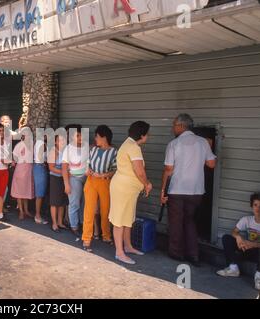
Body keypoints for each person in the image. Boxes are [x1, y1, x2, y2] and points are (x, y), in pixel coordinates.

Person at [161, 114, 217, 266]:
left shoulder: (174, 144)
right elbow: (212, 164)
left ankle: (176, 254)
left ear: (181, 126)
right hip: (196, 190)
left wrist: (162, 191)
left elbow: (168, 169)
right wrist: (207, 147)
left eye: (174, 125)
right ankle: (194, 255)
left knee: (176, 222)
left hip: (177, 189)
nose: (173, 128)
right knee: (190, 221)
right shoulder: (203, 143)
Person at [110, 121, 152, 265]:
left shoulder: (128, 144)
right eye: (147, 133)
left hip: (126, 189)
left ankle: (127, 247)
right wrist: (147, 184)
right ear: (142, 135)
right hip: (123, 189)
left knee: (127, 219)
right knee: (120, 220)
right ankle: (119, 252)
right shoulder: (133, 147)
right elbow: (139, 171)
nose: (148, 136)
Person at [82, 125, 117, 252]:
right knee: (89, 210)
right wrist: (87, 170)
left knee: (105, 210)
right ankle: (86, 238)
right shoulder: (93, 150)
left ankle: (106, 236)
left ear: (104, 137)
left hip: (105, 183)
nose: (95, 139)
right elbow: (88, 163)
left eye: (97, 136)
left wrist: (103, 175)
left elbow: (115, 170)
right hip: (91, 181)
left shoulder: (114, 152)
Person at [217, 193, 260, 290]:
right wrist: (238, 237)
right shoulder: (247, 219)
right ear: (251, 206)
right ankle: (233, 269)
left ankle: (259, 278)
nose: (258, 208)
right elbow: (234, 231)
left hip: (257, 254)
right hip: (245, 249)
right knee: (226, 238)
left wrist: (253, 244)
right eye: (255, 205)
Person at [62, 124, 89, 237]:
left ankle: (83, 224)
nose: (80, 137)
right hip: (74, 179)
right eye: (77, 135)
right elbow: (64, 168)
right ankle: (74, 226)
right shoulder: (68, 148)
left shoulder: (86, 146)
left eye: (81, 135)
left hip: (87, 179)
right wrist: (66, 184)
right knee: (74, 204)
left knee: (84, 204)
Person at [11, 126, 35, 220]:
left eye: (29, 134)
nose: (27, 136)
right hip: (20, 170)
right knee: (19, 192)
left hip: (29, 170)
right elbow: (15, 157)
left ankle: (26, 210)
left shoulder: (32, 144)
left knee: (26, 191)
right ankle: (21, 211)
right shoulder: (19, 145)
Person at [48, 134, 69, 233]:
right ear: (56, 142)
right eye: (59, 141)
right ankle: (54, 223)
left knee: (62, 202)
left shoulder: (66, 151)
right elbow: (51, 167)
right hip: (55, 178)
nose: (62, 142)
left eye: (63, 140)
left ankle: (60, 222)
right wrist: (64, 172)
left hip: (64, 179)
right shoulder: (53, 152)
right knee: (54, 202)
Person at [33, 134, 49, 225]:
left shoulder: (37, 142)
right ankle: (38, 216)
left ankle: (38, 214)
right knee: (39, 193)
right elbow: (41, 157)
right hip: (40, 167)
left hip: (37, 166)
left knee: (39, 193)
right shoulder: (42, 143)